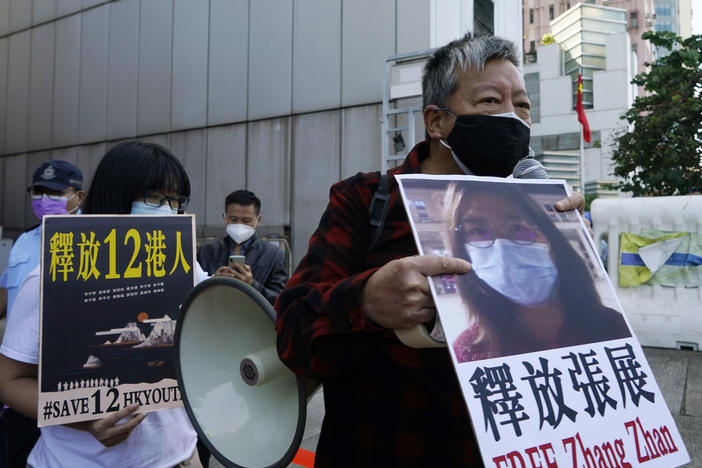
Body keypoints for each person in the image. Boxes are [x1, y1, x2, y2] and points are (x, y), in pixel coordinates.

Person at [275, 33, 590, 467]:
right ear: (437, 121)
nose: (512, 119)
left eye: (522, 105)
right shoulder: (365, 200)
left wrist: (575, 251)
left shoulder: (539, 213)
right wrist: (365, 299)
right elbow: (292, 333)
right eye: (490, 102)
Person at [0, 141, 205, 467]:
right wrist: (84, 421)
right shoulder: (52, 277)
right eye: (154, 197)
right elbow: (10, 381)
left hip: (178, 456)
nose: (168, 209)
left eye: (177, 200)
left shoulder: (185, 267)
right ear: (116, 194)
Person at [445, 181, 630, 362]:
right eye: (477, 231)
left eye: (517, 227)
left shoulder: (611, 325)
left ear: (551, 239)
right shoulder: (469, 350)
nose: (502, 252)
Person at [0, 160, 84, 468]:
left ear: (80, 197)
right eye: (38, 191)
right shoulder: (24, 240)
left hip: (64, 384)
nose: (43, 198)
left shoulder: (97, 239)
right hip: (18, 382)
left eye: (54, 192)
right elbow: (7, 293)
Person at [197, 190, 287, 305]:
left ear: (257, 220)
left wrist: (252, 285)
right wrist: (213, 280)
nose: (239, 224)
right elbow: (195, 291)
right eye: (233, 219)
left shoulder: (274, 255)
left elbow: (280, 301)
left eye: (246, 220)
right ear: (225, 218)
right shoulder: (206, 251)